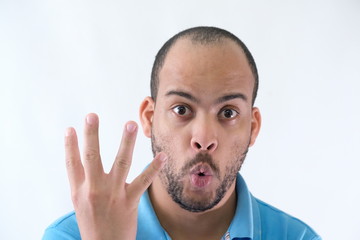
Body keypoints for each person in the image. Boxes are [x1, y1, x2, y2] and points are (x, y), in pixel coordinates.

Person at [43, 26, 321, 240]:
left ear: (253, 128)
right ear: (149, 118)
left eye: (228, 113)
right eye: (181, 109)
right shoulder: (72, 235)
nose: (203, 138)